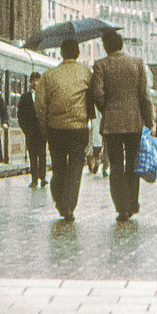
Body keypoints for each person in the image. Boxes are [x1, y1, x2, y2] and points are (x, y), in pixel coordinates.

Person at [90, 31, 154, 222]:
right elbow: (144, 96)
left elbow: (98, 94)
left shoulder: (101, 65)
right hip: (134, 122)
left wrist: (107, 108)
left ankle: (121, 208)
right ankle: (133, 203)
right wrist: (148, 121)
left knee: (116, 166)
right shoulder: (137, 64)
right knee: (133, 164)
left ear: (105, 46)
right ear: (121, 44)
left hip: (112, 125)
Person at [35, 39, 93, 222]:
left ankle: (60, 201)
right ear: (77, 53)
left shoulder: (49, 75)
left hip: (56, 129)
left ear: (61, 53)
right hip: (78, 128)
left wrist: (45, 125)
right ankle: (68, 205)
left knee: (58, 167)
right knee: (76, 167)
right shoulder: (86, 73)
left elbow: (40, 105)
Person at [17, 72, 46, 188]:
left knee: (42, 155)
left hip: (42, 132)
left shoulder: (44, 96)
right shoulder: (25, 97)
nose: (35, 83)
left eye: (37, 80)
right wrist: (25, 129)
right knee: (33, 156)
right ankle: (34, 179)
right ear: (30, 82)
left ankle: (43, 178)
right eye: (33, 80)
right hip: (30, 132)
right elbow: (20, 115)